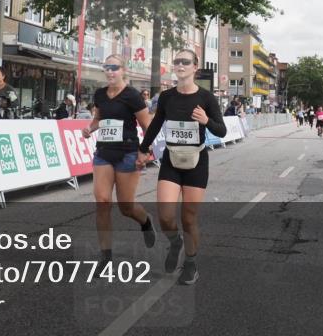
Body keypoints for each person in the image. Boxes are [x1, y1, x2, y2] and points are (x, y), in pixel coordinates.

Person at [138, 49, 226, 286]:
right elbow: (156, 124)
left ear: (195, 67)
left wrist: (207, 121)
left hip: (196, 161)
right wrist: (143, 148)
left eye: (185, 62)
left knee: (189, 218)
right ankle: (175, 241)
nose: (180, 65)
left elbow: (222, 130)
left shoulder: (206, 98)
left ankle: (190, 263)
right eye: (176, 61)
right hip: (171, 159)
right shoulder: (167, 97)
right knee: (166, 216)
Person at [81, 54, 154, 264]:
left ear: (123, 71)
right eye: (107, 67)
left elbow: (147, 126)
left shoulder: (132, 96)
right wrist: (89, 128)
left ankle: (146, 222)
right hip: (103, 152)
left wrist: (144, 150)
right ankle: (106, 256)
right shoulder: (100, 94)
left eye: (115, 67)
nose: (110, 71)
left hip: (127, 153)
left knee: (126, 207)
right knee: (103, 201)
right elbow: (98, 118)